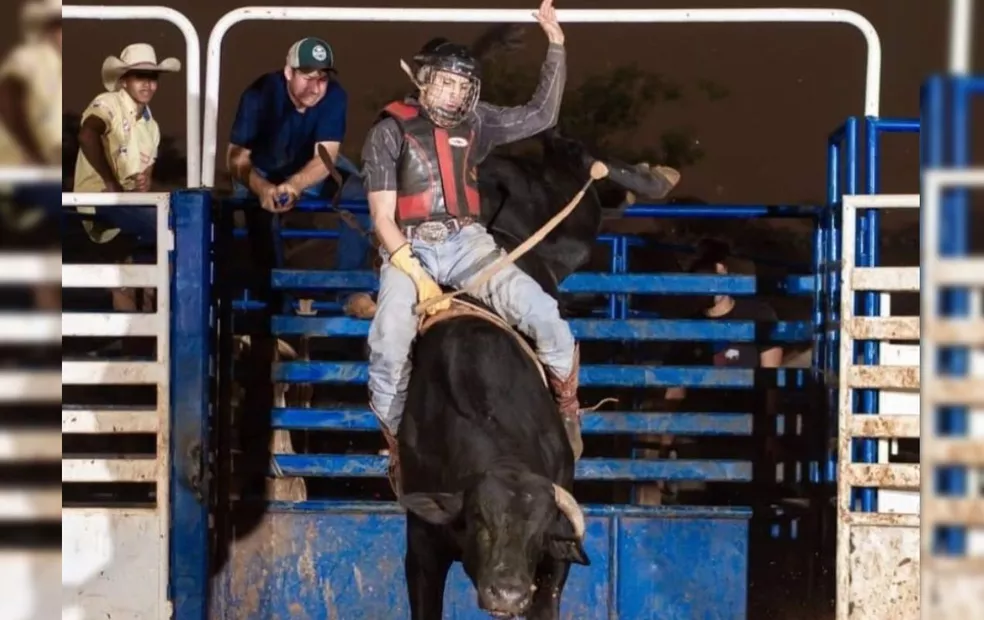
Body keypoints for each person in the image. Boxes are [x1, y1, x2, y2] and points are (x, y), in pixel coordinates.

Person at [361, 0, 578, 495]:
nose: (454, 93)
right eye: (446, 82)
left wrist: (556, 45)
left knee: (544, 315)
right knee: (389, 341)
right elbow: (381, 218)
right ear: (425, 79)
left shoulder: (478, 122)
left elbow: (541, 114)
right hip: (407, 246)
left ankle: (567, 413)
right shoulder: (388, 130)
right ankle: (397, 441)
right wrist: (418, 279)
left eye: (462, 85)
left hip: (467, 241)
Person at [636, 239, 784, 506]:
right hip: (700, 438)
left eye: (704, 273)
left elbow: (771, 382)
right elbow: (676, 393)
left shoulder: (758, 314)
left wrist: (769, 435)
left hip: (746, 436)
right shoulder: (691, 327)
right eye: (694, 278)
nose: (701, 284)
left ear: (721, 270)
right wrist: (665, 449)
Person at [73, 42, 181, 313]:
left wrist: (144, 183)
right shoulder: (109, 102)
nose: (148, 84)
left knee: (147, 263)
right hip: (101, 201)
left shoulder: (151, 126)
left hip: (127, 208)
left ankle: (144, 326)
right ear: (124, 80)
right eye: (140, 76)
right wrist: (111, 184)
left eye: (153, 77)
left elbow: (146, 179)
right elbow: (87, 134)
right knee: (173, 234)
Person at [0, 0, 62, 234]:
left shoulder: (58, 68)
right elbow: (6, 97)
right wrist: (35, 154)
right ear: (49, 28)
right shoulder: (31, 57)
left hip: (41, 174)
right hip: (16, 172)